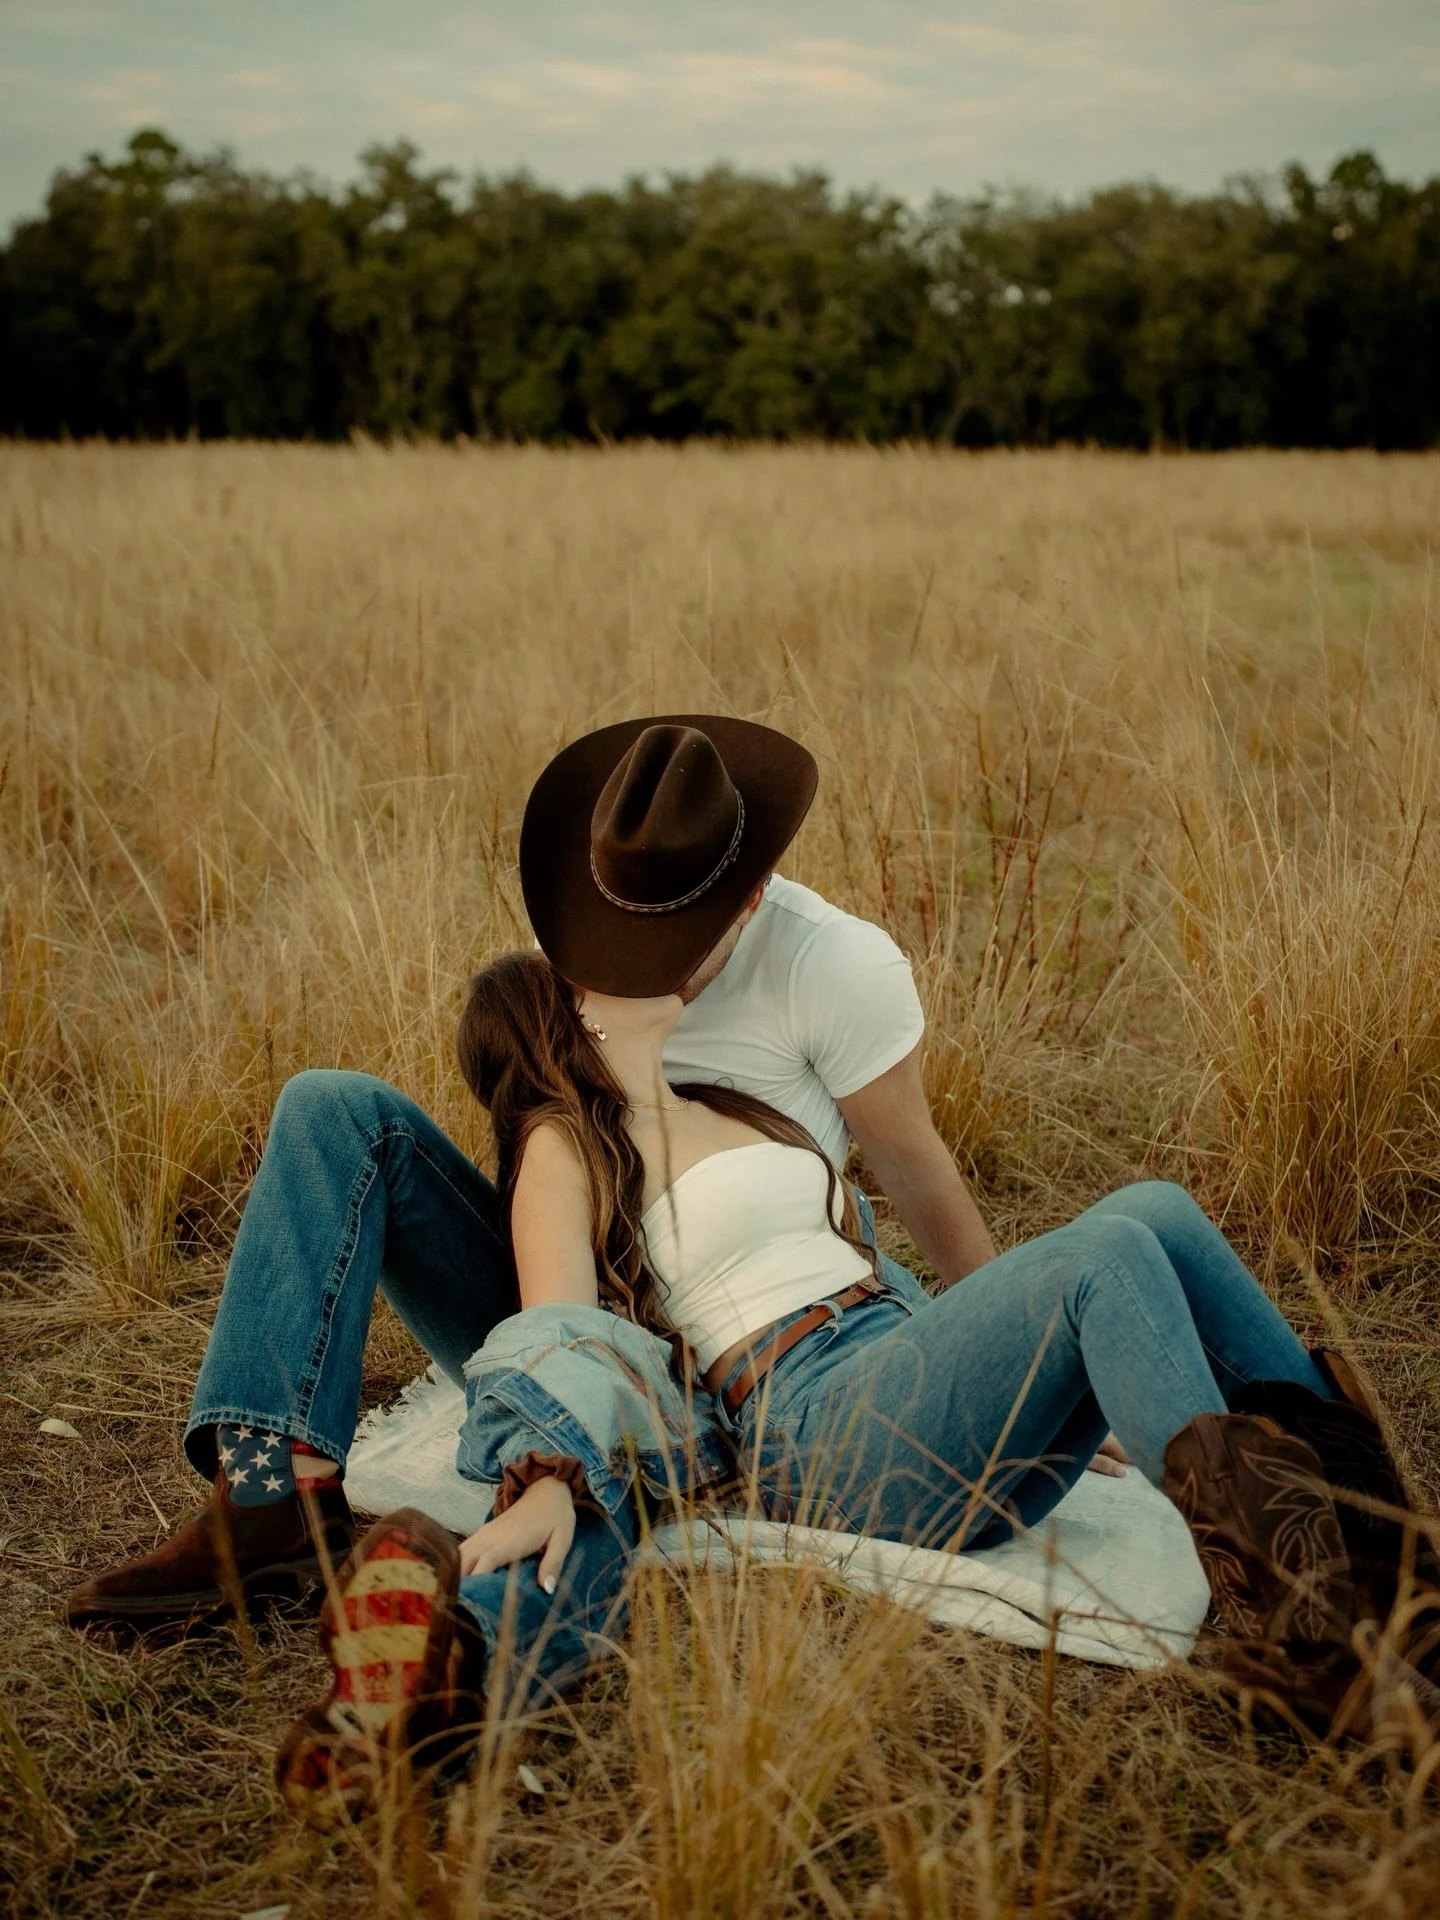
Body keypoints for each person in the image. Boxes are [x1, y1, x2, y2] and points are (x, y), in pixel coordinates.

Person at [265, 723, 1438, 1822]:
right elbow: (563, 1328)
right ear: (568, 1014)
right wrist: (547, 1474)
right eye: (595, 965)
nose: (635, 962)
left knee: (1153, 1211)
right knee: (1105, 1254)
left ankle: (1378, 1546)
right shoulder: (568, 1151)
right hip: (817, 1428)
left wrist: (1050, 1361)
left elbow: (903, 1191)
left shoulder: (735, 1086)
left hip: (899, 1367)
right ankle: (1301, 1640)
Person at [64, 713, 1006, 1639]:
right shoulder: (602, 914)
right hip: (569, 1301)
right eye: (615, 922)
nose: (625, 957)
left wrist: (1005, 1351)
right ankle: (271, 1500)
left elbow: (914, 1169)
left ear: (750, 897)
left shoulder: (834, 965)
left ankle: (488, 1609)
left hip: (728, 1358)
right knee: (331, 1105)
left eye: (672, 932)